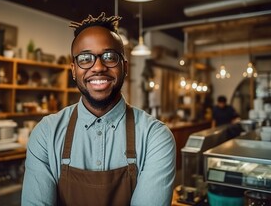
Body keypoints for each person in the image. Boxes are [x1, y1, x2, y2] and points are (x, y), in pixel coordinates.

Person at [21, 12, 176, 206]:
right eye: (85, 58)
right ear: (73, 71)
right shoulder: (45, 133)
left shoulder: (156, 136)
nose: (98, 67)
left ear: (125, 67)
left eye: (109, 56)